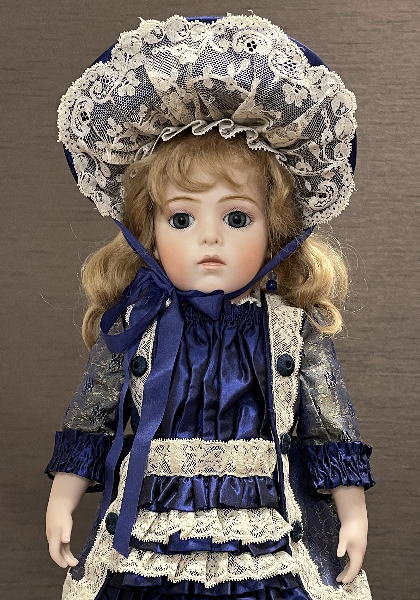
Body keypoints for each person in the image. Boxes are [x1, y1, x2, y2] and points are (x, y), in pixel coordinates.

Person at [44, 13, 376, 600]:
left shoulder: (289, 330)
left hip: (267, 530)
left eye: (237, 217)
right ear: (148, 233)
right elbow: (92, 416)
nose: (210, 238)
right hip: (151, 529)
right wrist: (63, 495)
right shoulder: (138, 324)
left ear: (276, 231)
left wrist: (352, 510)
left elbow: (328, 425)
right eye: (181, 219)